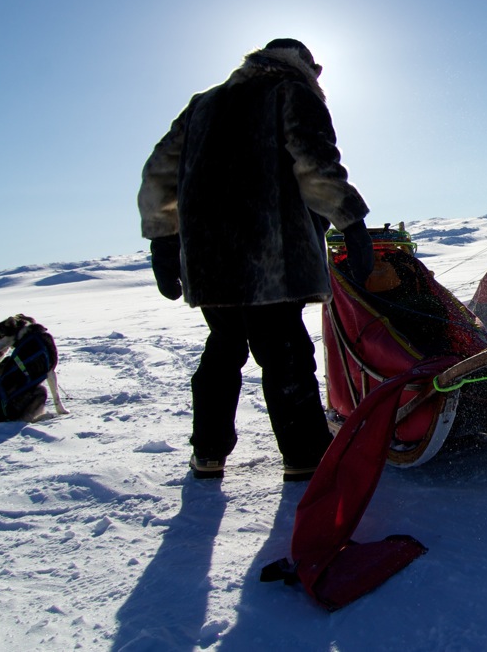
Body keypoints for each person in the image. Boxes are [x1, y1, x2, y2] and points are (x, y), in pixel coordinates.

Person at [138, 38, 374, 481]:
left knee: (224, 346)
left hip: (209, 260)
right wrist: (351, 222)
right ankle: (305, 457)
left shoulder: (202, 105)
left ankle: (208, 453)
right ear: (307, 68)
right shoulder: (291, 92)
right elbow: (315, 164)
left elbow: (159, 172)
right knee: (285, 351)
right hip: (271, 256)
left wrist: (163, 240)